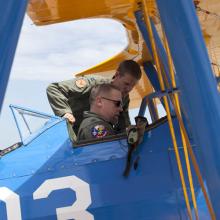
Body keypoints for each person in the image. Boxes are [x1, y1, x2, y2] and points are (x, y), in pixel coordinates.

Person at [46, 60, 142, 133]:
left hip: (93, 135)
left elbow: (123, 125)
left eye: (132, 86)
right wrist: (65, 113)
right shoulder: (94, 84)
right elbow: (54, 89)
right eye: (126, 84)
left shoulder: (124, 98)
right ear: (117, 75)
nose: (129, 89)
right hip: (70, 134)